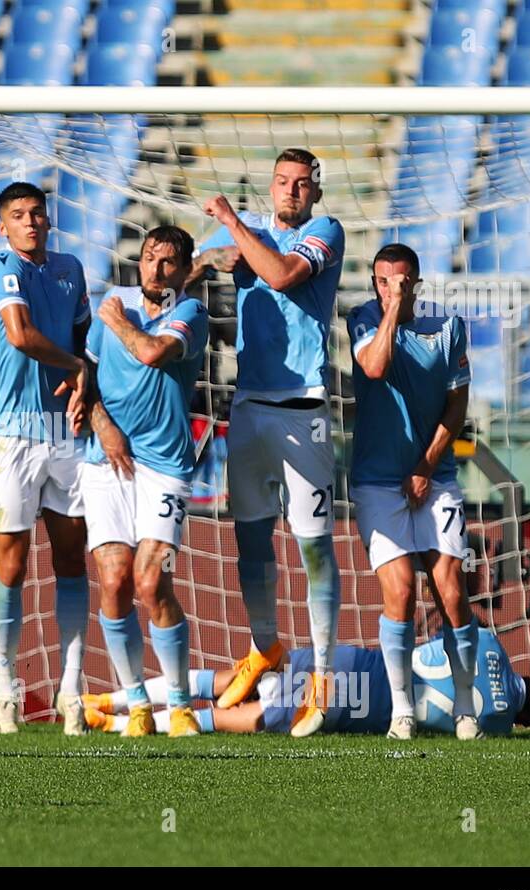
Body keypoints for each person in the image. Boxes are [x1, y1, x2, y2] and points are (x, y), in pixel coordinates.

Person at [195, 148, 346, 736]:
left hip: (303, 408)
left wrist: (232, 226)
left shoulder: (325, 232)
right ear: (272, 185)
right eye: (283, 182)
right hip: (249, 405)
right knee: (251, 542)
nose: (291, 192)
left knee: (313, 548)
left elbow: (281, 274)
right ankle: (265, 648)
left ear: (315, 192)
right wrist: (208, 257)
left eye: (302, 184)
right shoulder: (250, 232)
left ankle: (325, 679)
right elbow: (179, 271)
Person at [81, 226, 209, 737]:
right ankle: (137, 704)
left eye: (168, 261)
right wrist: (102, 424)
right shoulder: (113, 303)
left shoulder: (191, 314)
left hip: (164, 465)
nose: (156, 269)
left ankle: (178, 704)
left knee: (152, 582)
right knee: (113, 583)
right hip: (104, 462)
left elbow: (153, 352)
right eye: (149, 259)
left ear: (184, 270)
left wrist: (116, 322)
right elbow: (81, 378)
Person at [348, 243, 479, 739]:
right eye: (383, 281)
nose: (392, 289)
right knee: (400, 591)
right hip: (377, 482)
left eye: (402, 282)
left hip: (436, 477)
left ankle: (466, 708)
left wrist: (426, 464)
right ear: (374, 284)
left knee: (450, 591)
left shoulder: (448, 327)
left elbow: (457, 406)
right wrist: (391, 313)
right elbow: (376, 368)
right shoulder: (362, 320)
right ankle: (402, 711)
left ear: (417, 283)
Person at [0, 181, 92, 734]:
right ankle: (6, 692)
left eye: (37, 214)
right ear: (3, 225)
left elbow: (81, 334)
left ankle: (71, 690)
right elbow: (21, 335)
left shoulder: (71, 267)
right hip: (10, 436)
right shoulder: (2, 265)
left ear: (49, 220)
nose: (30, 222)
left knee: (72, 558)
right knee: (13, 563)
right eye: (18, 215)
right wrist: (77, 367)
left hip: (65, 433)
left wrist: (83, 373)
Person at [83, 629, 530, 737]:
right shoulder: (498, 728)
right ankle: (107, 724)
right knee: (239, 716)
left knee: (228, 678)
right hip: (355, 705)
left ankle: (108, 697)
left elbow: (429, 642)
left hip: (350, 660)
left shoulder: (488, 640)